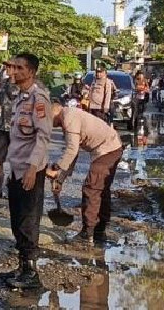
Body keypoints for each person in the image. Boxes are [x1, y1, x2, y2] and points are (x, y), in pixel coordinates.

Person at [0, 53, 52, 289]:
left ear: (31, 72)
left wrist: (32, 169)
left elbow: (43, 137)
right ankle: (22, 267)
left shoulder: (39, 99)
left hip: (30, 169)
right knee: (17, 219)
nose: (13, 71)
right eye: (12, 67)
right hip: (16, 168)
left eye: (19, 68)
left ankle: (31, 273)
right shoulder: (21, 98)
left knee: (29, 220)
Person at [46, 99, 123, 245]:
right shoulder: (69, 116)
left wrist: (56, 168)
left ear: (53, 113)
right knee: (101, 190)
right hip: (111, 147)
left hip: (107, 149)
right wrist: (60, 179)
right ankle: (99, 231)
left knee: (92, 189)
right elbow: (72, 154)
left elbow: (71, 150)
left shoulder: (68, 118)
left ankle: (88, 232)